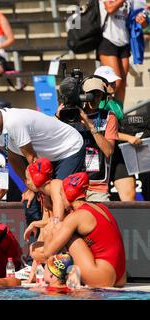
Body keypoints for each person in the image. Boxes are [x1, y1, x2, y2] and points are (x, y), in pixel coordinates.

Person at [0, 103, 85, 226]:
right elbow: (13, 158)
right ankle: (37, 240)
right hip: (45, 156)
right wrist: (29, 187)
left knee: (58, 196)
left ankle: (62, 234)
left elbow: (32, 159)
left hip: (68, 149)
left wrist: (43, 192)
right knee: (31, 200)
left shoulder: (14, 123)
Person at [43, 173, 127, 288]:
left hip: (101, 277)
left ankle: (64, 278)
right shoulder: (100, 207)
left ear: (68, 194)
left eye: (61, 195)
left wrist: (48, 231)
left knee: (58, 228)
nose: (61, 199)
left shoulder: (76, 217)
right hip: (120, 277)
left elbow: (48, 252)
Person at [95, 65, 142, 201]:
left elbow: (114, 131)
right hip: (100, 155)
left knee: (129, 196)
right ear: (100, 84)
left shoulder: (116, 103)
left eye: (114, 81)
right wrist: (129, 138)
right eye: (110, 82)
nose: (114, 84)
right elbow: (104, 132)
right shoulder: (95, 104)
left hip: (117, 153)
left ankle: (130, 222)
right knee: (98, 200)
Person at [76, 77, 119, 201]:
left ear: (103, 96)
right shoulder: (71, 115)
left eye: (98, 94)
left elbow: (109, 151)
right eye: (91, 93)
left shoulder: (109, 117)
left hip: (97, 186)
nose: (94, 98)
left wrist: (89, 124)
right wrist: (59, 115)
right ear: (83, 94)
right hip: (72, 182)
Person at [98, 0, 148, 103]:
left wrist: (142, 20)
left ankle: (118, 115)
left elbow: (141, 21)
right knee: (115, 82)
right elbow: (110, 8)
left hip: (125, 41)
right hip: (108, 39)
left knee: (122, 85)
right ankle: (99, 110)